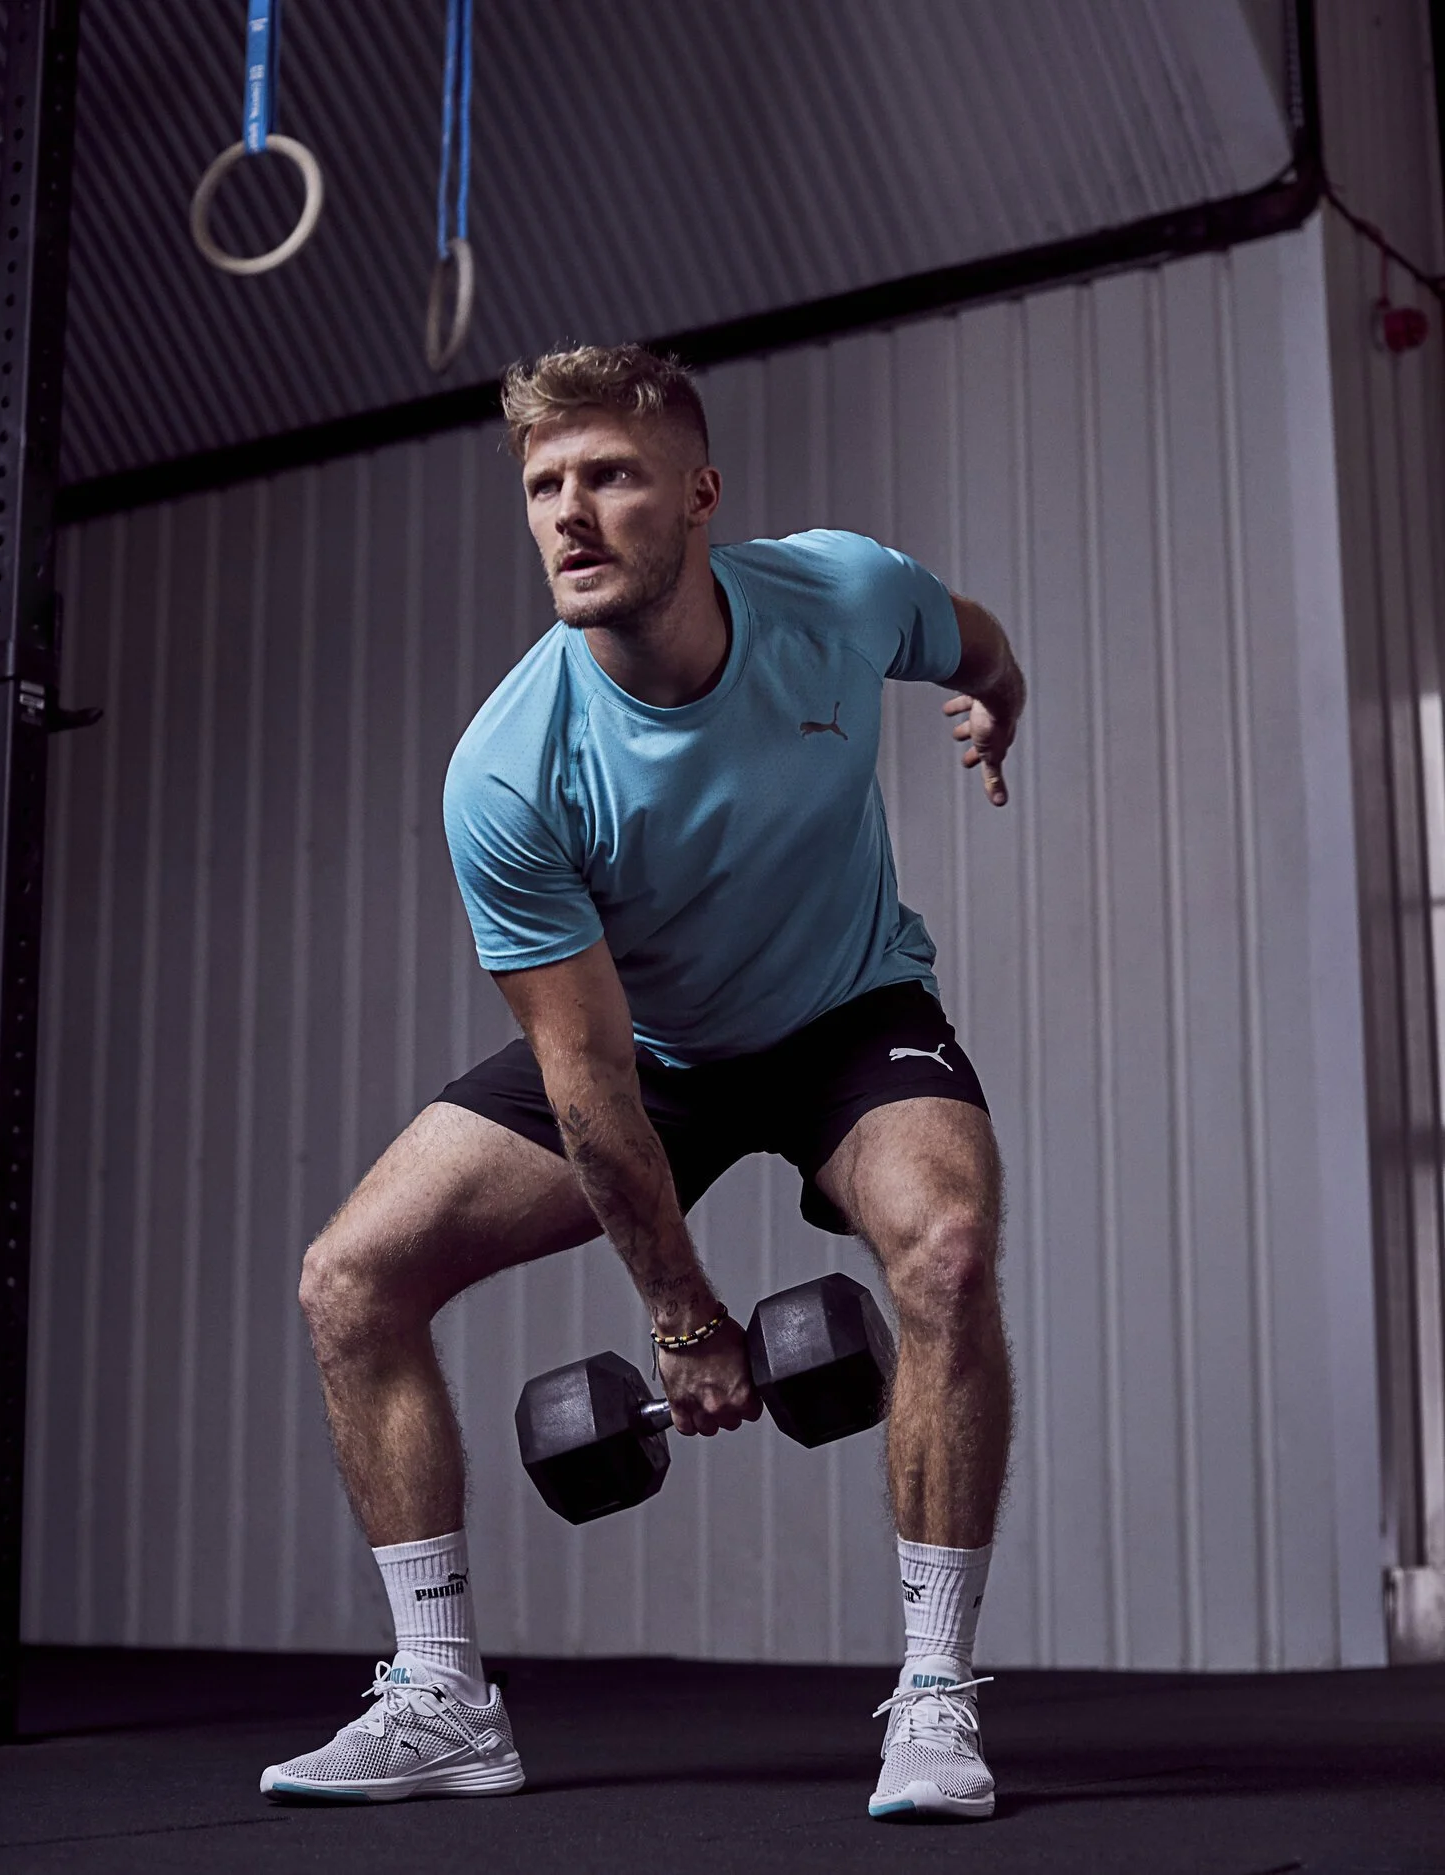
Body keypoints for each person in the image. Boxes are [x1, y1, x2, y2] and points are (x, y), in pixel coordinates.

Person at [260, 344, 1026, 1821]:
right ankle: (442, 1697)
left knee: (947, 1251)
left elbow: (977, 646)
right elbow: (592, 1083)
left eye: (609, 474)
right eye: (543, 484)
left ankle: (936, 1694)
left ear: (699, 495)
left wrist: (998, 705)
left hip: (846, 1013)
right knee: (349, 1280)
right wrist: (685, 1317)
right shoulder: (510, 769)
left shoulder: (840, 594)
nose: (570, 512)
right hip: (651, 1058)